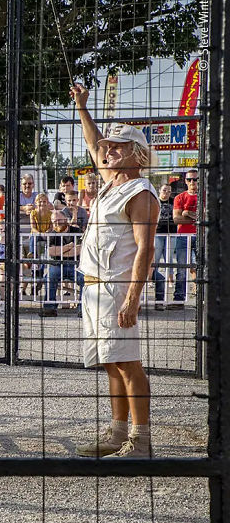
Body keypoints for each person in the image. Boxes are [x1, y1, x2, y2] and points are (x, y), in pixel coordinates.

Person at [71, 83, 159, 459]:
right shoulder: (111, 184)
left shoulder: (140, 191)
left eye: (118, 147)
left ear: (137, 154)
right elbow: (93, 144)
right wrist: (81, 108)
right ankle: (117, 432)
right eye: (110, 146)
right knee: (110, 361)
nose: (109, 150)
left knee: (127, 363)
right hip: (93, 286)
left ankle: (140, 440)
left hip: (115, 287)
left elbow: (146, 248)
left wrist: (132, 298)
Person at [39, 210, 84, 317]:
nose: (57, 223)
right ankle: (49, 308)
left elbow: (79, 250)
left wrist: (59, 250)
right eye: (54, 222)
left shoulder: (76, 231)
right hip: (57, 265)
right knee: (50, 277)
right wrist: (68, 247)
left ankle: (82, 309)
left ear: (66, 220)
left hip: (75, 265)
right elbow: (51, 252)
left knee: (84, 279)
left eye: (59, 220)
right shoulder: (51, 234)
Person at [170, 169, 198, 309]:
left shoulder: (205, 196)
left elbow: (208, 217)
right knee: (181, 268)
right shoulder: (179, 197)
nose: (192, 182)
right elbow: (176, 218)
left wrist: (187, 213)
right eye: (189, 179)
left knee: (202, 267)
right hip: (183, 236)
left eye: (195, 179)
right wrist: (197, 219)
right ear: (185, 181)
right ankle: (179, 299)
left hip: (201, 236)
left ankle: (202, 299)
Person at [151, 183, 175, 310]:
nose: (167, 192)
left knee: (169, 258)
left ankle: (169, 280)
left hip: (171, 233)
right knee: (155, 258)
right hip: (158, 232)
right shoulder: (155, 201)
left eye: (169, 191)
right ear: (160, 191)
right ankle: (153, 277)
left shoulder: (173, 201)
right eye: (164, 190)